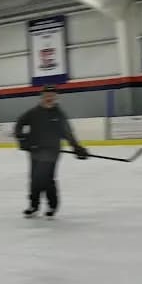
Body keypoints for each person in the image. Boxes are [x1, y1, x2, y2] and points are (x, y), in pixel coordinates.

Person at [14, 85, 89, 219]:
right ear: (42, 97)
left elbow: (68, 133)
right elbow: (19, 124)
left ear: (56, 97)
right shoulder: (33, 112)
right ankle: (34, 206)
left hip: (52, 152)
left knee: (45, 178)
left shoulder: (59, 114)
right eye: (46, 96)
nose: (49, 98)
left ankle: (52, 206)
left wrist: (77, 148)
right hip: (35, 151)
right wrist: (23, 140)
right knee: (35, 179)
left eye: (52, 96)